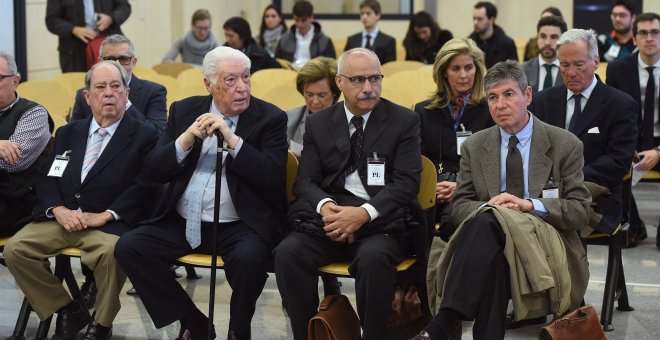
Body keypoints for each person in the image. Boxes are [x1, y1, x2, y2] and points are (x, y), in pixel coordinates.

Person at [114, 46, 288, 340]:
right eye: (230, 80)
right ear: (208, 84)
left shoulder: (270, 118)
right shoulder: (184, 110)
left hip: (240, 225)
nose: (242, 87)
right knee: (130, 247)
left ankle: (238, 327)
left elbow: (272, 177)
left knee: (249, 261)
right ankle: (193, 322)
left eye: (246, 77)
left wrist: (233, 140)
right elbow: (153, 171)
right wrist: (185, 140)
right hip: (182, 221)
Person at [412, 60, 592, 340]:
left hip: (545, 242)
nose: (500, 104)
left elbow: (581, 211)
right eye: (493, 98)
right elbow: (459, 206)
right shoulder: (475, 145)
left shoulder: (564, 144)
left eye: (509, 94)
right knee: (493, 246)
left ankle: (443, 322)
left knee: (487, 223)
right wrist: (493, 206)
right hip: (492, 240)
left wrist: (529, 205)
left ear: (528, 95)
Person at [274, 48, 427, 340]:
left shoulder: (404, 121)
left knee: (372, 261)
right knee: (287, 254)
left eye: (374, 79)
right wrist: (326, 206)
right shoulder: (319, 123)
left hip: (380, 222)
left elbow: (407, 184)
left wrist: (362, 214)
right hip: (329, 221)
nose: (369, 88)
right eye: (358, 80)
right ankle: (308, 335)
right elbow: (305, 181)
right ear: (340, 82)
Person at [4, 60, 159, 340]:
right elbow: (47, 177)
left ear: (127, 94)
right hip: (63, 219)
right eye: (100, 87)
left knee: (114, 253)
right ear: (87, 97)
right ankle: (67, 309)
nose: (109, 93)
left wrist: (108, 214)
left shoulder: (144, 135)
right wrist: (58, 209)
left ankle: (101, 324)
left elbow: (145, 186)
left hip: (107, 223)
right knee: (16, 250)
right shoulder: (68, 133)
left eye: (116, 86)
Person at [530, 28, 638, 235]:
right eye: (564, 65)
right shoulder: (541, 102)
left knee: (552, 224)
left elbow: (617, 161)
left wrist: (567, 180)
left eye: (579, 65)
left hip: (596, 198)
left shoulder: (621, 105)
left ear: (596, 62)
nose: (571, 73)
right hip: (543, 193)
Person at [413, 38, 492, 240]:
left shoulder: (490, 109)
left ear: (477, 70)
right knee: (411, 224)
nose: (463, 75)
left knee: (453, 222)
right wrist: (431, 186)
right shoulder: (423, 111)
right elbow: (415, 160)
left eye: (468, 67)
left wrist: (460, 186)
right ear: (444, 73)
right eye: (455, 69)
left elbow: (493, 162)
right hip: (432, 188)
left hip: (470, 190)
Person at [606, 12, 660, 247]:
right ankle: (634, 224)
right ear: (635, 38)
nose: (649, 38)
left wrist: (659, 151)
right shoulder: (618, 69)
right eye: (643, 33)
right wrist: (625, 148)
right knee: (608, 162)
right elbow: (612, 117)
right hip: (630, 139)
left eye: (655, 32)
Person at [0, 52, 53, 236]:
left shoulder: (34, 114)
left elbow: (12, 162)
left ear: (15, 81)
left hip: (15, 202)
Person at [71, 34, 167, 132]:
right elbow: (73, 133)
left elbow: (157, 133)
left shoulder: (154, 92)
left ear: (133, 62)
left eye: (123, 59)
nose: (116, 64)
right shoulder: (85, 95)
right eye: (110, 59)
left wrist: (124, 102)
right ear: (99, 61)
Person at [46, 0, 131, 72]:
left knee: (115, 85)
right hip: (74, 53)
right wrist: (73, 29)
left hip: (110, 46)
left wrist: (111, 18)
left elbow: (124, 7)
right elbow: (51, 20)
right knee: (79, 87)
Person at [287, 56, 340, 156]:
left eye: (322, 95)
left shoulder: (350, 120)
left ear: (335, 93)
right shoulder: (289, 119)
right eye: (309, 95)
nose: (315, 101)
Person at [275, 1, 336, 68]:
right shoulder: (284, 39)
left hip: (313, 75)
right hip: (289, 74)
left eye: (303, 20)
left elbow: (331, 66)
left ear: (311, 18)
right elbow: (277, 63)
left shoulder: (325, 41)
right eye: (296, 20)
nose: (300, 24)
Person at [523, 16, 568, 93]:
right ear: (537, 39)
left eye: (554, 37)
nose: (547, 42)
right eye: (543, 36)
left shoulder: (571, 71)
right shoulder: (522, 70)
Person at [344, 0, 397, 65]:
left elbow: (389, 67)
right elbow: (344, 64)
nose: (364, 17)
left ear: (377, 16)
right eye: (362, 13)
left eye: (368, 13)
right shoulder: (352, 40)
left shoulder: (388, 41)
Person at [468, 1, 518, 68]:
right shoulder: (469, 43)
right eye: (474, 18)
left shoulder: (507, 44)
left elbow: (515, 73)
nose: (475, 22)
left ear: (492, 20)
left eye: (480, 19)